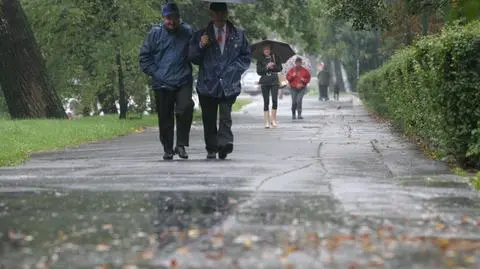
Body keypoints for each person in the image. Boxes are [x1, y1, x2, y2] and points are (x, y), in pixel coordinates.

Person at [189, 2, 251, 160]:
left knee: (225, 116)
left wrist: (234, 70)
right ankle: (211, 147)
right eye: (216, 13)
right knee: (209, 118)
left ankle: (224, 144)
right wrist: (201, 45)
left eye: (222, 13)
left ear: (226, 14)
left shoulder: (238, 34)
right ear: (211, 15)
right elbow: (193, 57)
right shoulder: (201, 34)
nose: (219, 16)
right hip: (207, 83)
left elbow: (245, 57)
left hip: (229, 83)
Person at [139, 3, 194, 160]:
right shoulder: (155, 34)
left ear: (179, 17)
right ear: (163, 18)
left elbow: (195, 52)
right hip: (162, 82)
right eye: (168, 18)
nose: (171, 21)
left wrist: (203, 45)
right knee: (165, 117)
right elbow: (144, 57)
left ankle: (181, 145)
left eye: (174, 18)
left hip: (183, 78)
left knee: (186, 108)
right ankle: (168, 148)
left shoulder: (187, 31)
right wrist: (156, 73)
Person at [256, 43, 282, 128]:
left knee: (275, 100)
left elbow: (280, 68)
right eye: (265, 49)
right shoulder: (260, 59)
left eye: (268, 49)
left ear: (270, 50)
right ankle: (266, 121)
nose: (266, 51)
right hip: (264, 82)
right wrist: (267, 67)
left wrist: (273, 67)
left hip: (274, 81)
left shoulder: (275, 57)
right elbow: (259, 71)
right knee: (266, 101)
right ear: (263, 51)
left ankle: (273, 120)